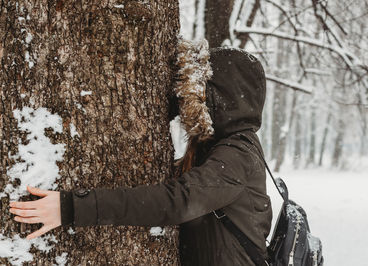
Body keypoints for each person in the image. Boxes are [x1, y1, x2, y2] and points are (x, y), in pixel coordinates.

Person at [8, 47, 273, 265]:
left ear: (220, 98)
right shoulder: (222, 148)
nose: (188, 100)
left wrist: (73, 207)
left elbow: (176, 202)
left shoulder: (237, 155)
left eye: (197, 92)